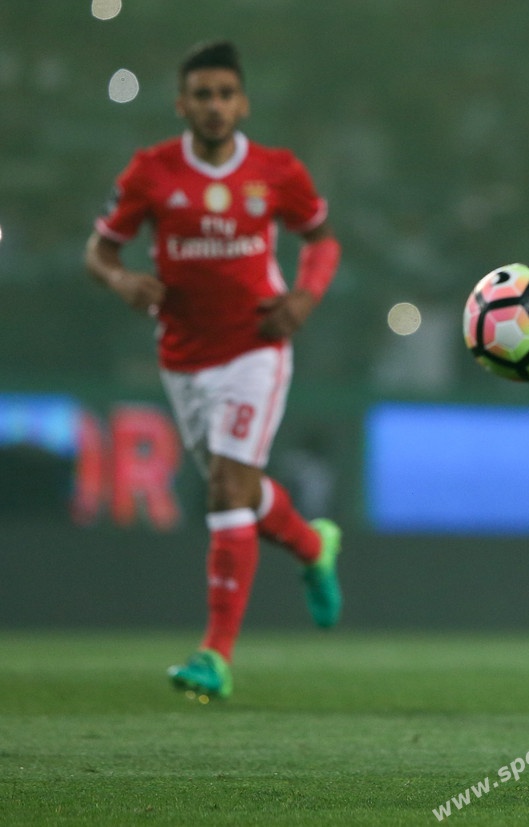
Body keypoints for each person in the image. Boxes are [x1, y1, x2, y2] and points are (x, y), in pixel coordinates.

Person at [84, 40, 343, 701]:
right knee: (242, 491)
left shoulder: (277, 170)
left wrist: (305, 297)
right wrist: (121, 281)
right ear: (182, 104)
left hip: (256, 346)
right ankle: (313, 547)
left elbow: (321, 239)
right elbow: (100, 251)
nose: (215, 106)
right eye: (203, 95)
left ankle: (214, 656)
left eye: (226, 94)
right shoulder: (151, 172)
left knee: (227, 491)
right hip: (182, 356)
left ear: (242, 103)